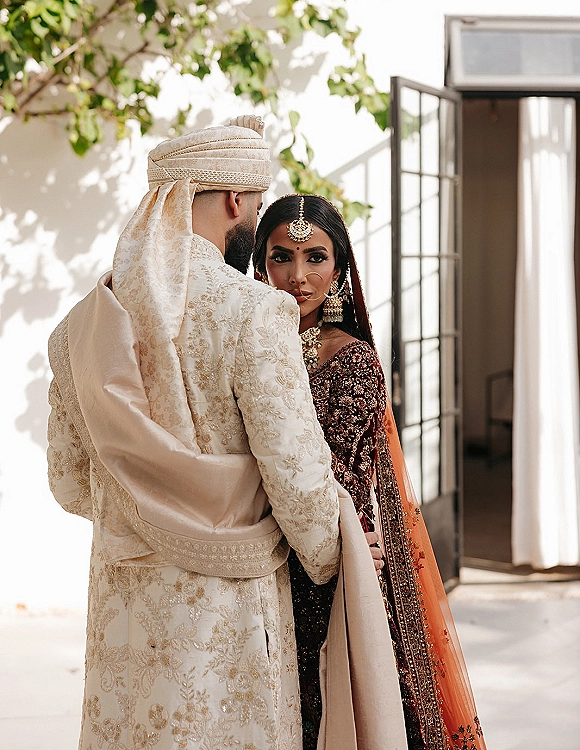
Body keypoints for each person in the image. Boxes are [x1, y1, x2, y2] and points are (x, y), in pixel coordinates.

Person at [46, 118, 346, 750]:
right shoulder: (258, 313)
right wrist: (334, 564)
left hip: (124, 614)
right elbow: (300, 485)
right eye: (258, 205)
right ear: (236, 200)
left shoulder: (83, 326)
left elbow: (69, 483)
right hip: (230, 616)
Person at [254, 193, 487, 750]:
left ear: (340, 268)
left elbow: (324, 472)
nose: (297, 276)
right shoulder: (251, 342)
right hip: (259, 550)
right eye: (282, 256)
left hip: (333, 558)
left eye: (316, 257)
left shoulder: (349, 358)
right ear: (261, 262)